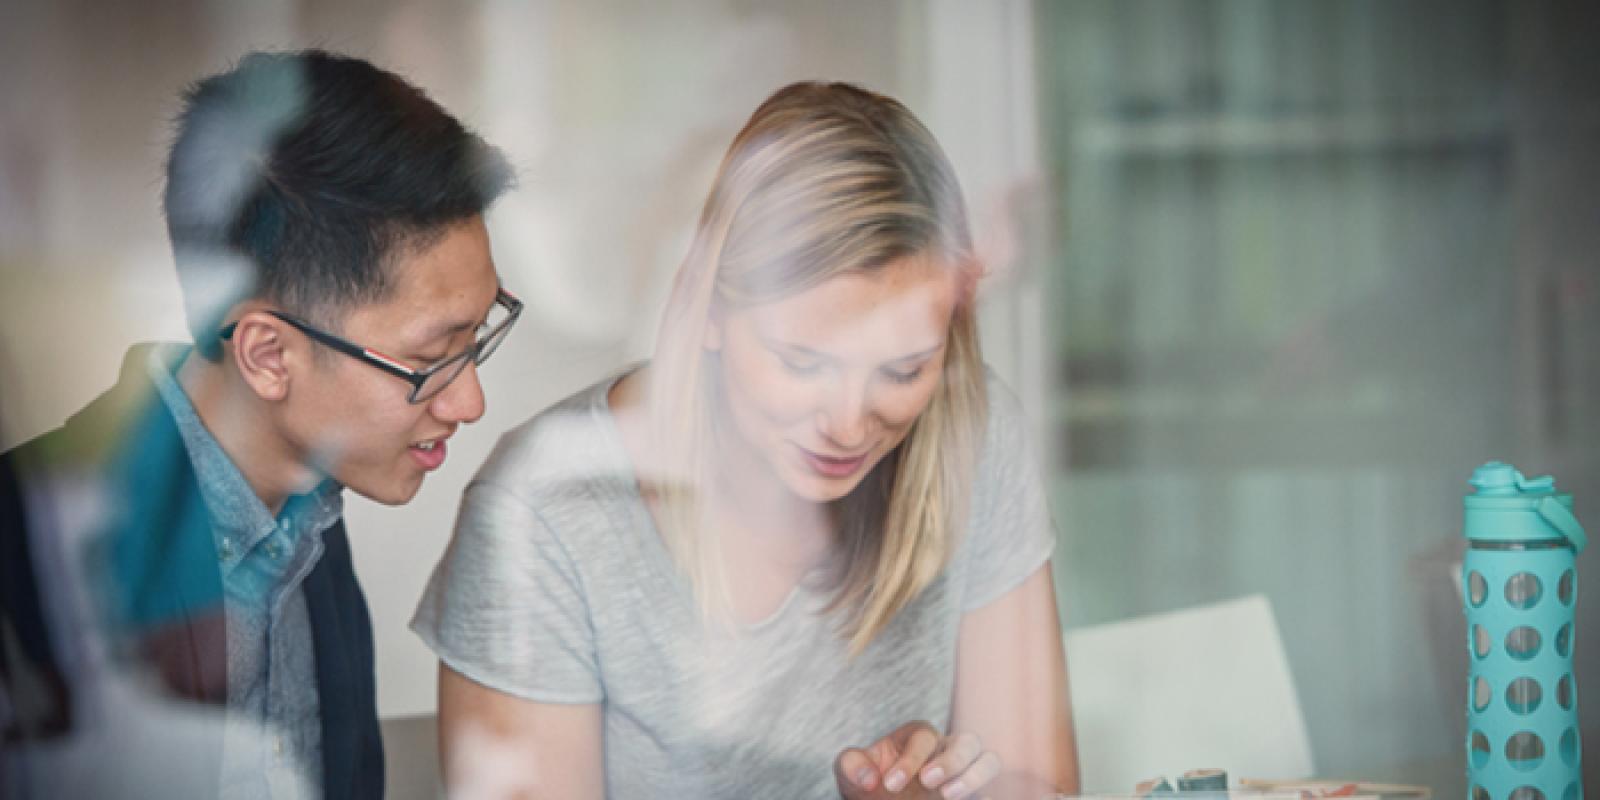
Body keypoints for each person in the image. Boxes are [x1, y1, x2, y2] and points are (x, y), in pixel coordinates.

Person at [413, 81, 1080, 799]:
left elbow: (1038, 786)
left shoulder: (971, 435)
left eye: (903, 369)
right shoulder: (544, 513)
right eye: (803, 362)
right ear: (709, 309)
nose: (850, 423)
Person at [0, 49, 518, 799]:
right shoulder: (32, 556)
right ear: (268, 356)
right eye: (433, 357)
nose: (468, 402)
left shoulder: (306, 519)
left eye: (476, 341)